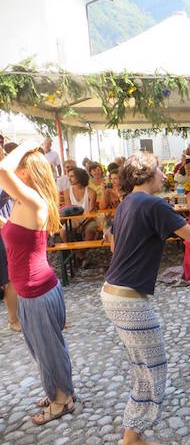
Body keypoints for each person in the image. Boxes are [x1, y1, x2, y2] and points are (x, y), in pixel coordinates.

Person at [102, 152, 190, 445]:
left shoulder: (127, 203)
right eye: (160, 170)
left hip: (113, 294)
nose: (165, 175)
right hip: (128, 301)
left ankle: (132, 434)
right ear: (146, 175)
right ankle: (131, 438)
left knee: (142, 367)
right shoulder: (153, 204)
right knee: (154, 369)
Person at [0, 140, 75, 425]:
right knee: (46, 347)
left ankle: (61, 402)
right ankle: (61, 390)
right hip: (34, 289)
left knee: (47, 348)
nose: (14, 172)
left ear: (28, 172)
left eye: (20, 168)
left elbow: (1, 171)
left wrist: (27, 146)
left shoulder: (33, 200)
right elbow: (16, 232)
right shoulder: (24, 201)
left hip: (37, 291)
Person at [0, 142, 20, 332]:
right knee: (9, 278)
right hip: (5, 231)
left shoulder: (9, 178)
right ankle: (13, 319)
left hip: (11, 228)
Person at [59, 168, 98, 243]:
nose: (69, 179)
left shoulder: (91, 192)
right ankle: (74, 251)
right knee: (63, 233)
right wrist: (77, 223)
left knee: (89, 233)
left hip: (88, 219)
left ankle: (81, 252)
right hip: (73, 219)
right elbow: (68, 211)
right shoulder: (67, 192)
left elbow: (91, 211)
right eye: (69, 176)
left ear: (79, 177)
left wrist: (82, 225)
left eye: (72, 176)